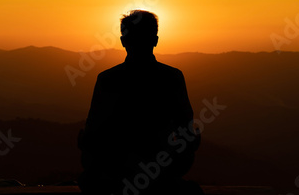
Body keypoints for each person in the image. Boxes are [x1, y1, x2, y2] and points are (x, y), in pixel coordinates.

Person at [78, 10, 204, 195]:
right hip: (161, 169)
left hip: (115, 170)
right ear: (155, 40)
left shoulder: (108, 79)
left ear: (123, 41)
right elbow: (186, 133)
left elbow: (92, 134)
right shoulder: (172, 78)